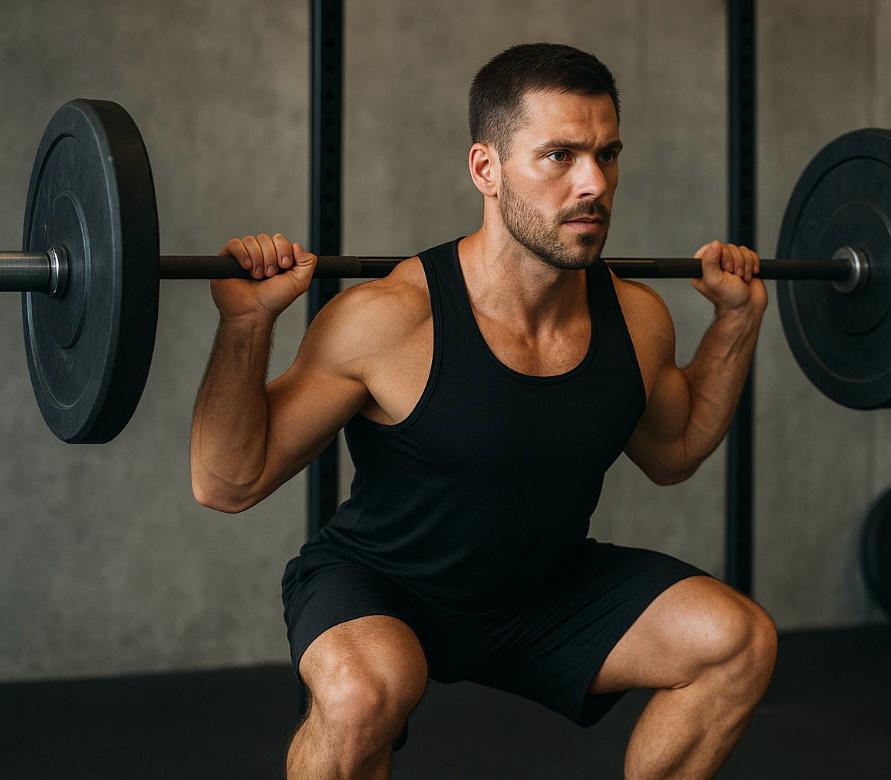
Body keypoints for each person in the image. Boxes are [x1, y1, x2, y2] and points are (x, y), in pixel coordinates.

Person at [191, 42, 775, 780]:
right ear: (485, 169)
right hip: (385, 584)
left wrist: (736, 324)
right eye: (559, 156)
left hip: (543, 590)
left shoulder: (635, 318)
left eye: (607, 154)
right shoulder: (391, 319)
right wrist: (245, 327)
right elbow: (227, 483)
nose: (593, 183)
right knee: (361, 693)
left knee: (735, 641)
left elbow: (674, 452)